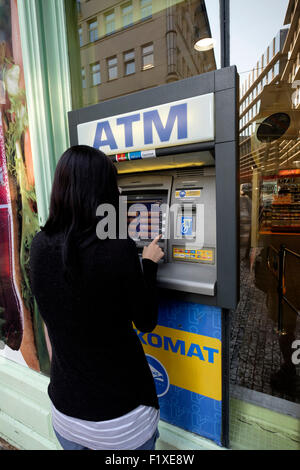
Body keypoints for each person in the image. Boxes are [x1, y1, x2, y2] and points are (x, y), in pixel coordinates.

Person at [29, 145, 164, 450]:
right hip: (120, 421)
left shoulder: (39, 246)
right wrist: (149, 264)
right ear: (103, 191)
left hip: (66, 412)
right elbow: (146, 321)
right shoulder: (118, 249)